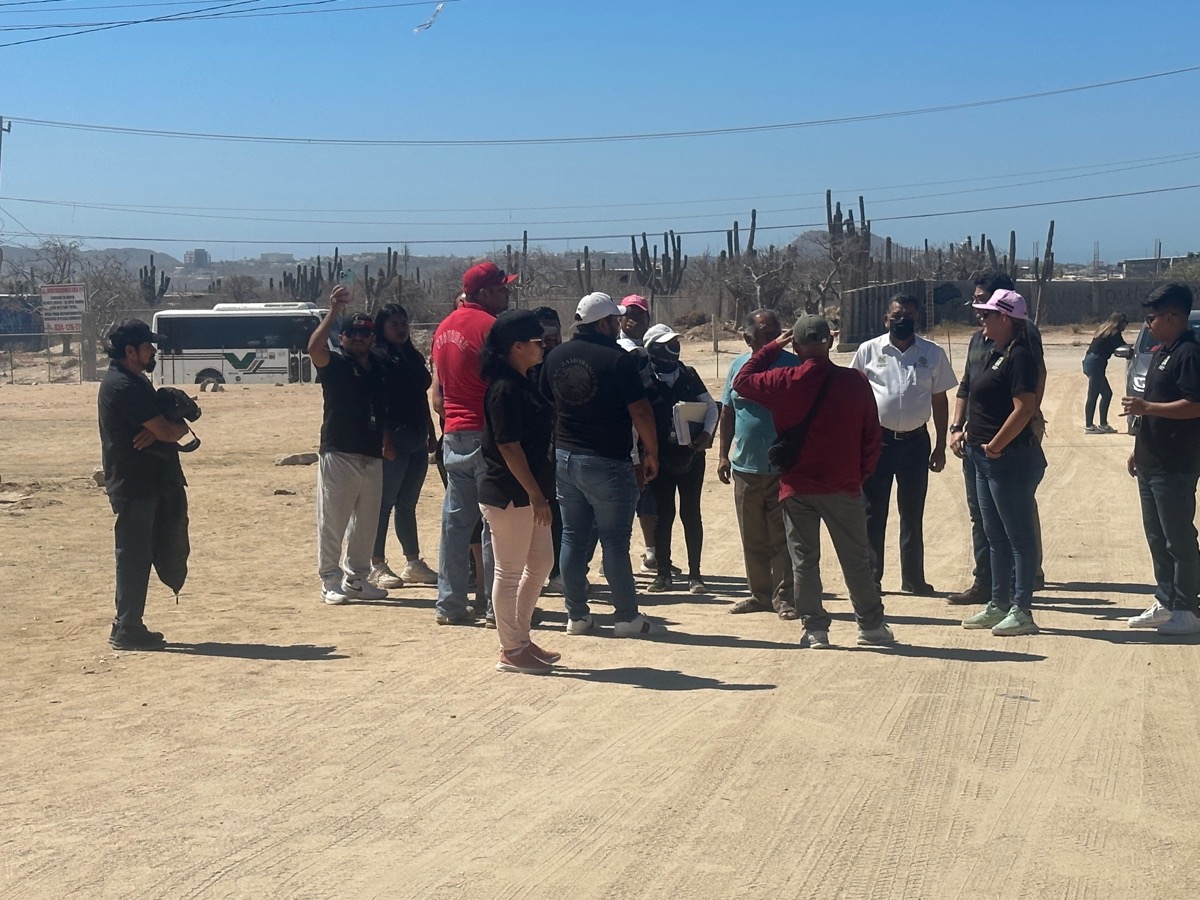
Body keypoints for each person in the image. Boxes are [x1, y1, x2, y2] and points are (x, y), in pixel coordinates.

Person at [733, 314, 894, 650]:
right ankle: (870, 626)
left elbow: (742, 381)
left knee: (804, 559)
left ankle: (815, 629)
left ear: (796, 345)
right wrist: (860, 474)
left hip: (798, 485)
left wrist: (771, 348)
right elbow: (872, 436)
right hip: (843, 484)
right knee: (856, 558)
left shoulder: (786, 379)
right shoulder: (854, 382)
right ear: (830, 342)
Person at [540, 291, 667, 637]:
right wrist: (651, 451)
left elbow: (548, 401)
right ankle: (626, 617)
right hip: (608, 460)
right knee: (614, 541)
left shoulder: (556, 356)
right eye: (615, 318)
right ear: (604, 323)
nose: (619, 323)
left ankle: (576, 616)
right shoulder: (618, 359)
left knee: (572, 537)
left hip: (566, 457)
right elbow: (640, 410)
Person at [948, 271, 1048, 604]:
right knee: (984, 516)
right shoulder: (981, 339)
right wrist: (957, 427)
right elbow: (967, 384)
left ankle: (1023, 585)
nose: (977, 309)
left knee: (1015, 519)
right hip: (978, 441)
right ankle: (989, 584)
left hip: (1005, 444)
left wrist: (1008, 435)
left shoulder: (1022, 341)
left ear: (1002, 309)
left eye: (983, 302)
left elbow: (1031, 388)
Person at [851, 294, 958, 595]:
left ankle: (914, 578)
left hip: (915, 443)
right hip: (877, 442)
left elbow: (939, 399)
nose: (902, 320)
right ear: (886, 319)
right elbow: (854, 395)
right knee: (873, 511)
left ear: (918, 320)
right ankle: (871, 577)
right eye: (897, 315)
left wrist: (939, 445)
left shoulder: (932, 353)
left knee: (912, 512)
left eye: (908, 315)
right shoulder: (868, 351)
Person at [97, 319, 191, 650]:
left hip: (149, 482)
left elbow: (163, 429)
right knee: (134, 555)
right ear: (130, 351)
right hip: (134, 484)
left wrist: (164, 427)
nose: (154, 350)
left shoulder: (136, 381)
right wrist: (170, 427)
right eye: (148, 346)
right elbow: (168, 431)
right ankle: (126, 627)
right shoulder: (122, 385)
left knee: (145, 552)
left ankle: (130, 624)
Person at [430, 261, 515, 625]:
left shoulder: (444, 328)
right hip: (487, 432)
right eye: (501, 288)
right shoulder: (492, 328)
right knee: (495, 523)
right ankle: (497, 608)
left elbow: (437, 395)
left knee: (456, 523)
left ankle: (449, 604)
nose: (506, 293)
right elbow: (504, 386)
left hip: (454, 432)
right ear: (483, 293)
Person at [478, 310, 562, 673]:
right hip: (509, 492)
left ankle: (521, 637)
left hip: (531, 491)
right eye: (535, 341)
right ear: (516, 346)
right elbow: (509, 446)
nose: (542, 345)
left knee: (541, 563)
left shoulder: (523, 379)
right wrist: (536, 494)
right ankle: (510, 649)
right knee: (509, 572)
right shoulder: (504, 388)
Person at [1122, 283, 1200, 635]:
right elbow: (1147, 408)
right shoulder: (1160, 351)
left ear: (1172, 318)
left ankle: (1187, 608)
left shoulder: (1189, 354)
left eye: (1152, 318)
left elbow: (1195, 405)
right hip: (1151, 460)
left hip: (1175, 464)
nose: (1148, 324)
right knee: (1156, 536)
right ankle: (1166, 600)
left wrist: (1147, 407)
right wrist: (1137, 448)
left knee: (1178, 538)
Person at [308, 294, 393, 605]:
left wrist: (387, 439)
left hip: (371, 452)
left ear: (372, 338)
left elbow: (381, 408)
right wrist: (333, 312)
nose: (358, 338)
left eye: (364, 333)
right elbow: (314, 349)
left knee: (366, 522)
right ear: (341, 338)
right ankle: (329, 579)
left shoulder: (378, 368)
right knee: (333, 520)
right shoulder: (336, 365)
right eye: (351, 333)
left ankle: (357, 579)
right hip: (339, 451)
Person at [716, 308, 798, 618]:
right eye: (767, 335)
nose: (776, 339)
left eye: (778, 332)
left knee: (782, 537)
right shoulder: (738, 366)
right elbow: (727, 412)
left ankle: (785, 597)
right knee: (752, 537)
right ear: (748, 338)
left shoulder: (792, 365)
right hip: (745, 468)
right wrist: (723, 455)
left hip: (781, 469)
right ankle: (759, 594)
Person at [642, 323, 718, 594]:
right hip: (659, 459)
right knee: (663, 514)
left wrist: (707, 435)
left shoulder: (688, 374)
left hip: (691, 457)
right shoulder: (644, 379)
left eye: (675, 343)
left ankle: (695, 575)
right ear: (653, 349)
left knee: (691, 513)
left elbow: (710, 408)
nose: (673, 349)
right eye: (666, 345)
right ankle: (663, 573)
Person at [368, 303, 439, 588]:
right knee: (383, 504)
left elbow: (421, 397)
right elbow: (377, 404)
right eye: (394, 323)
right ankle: (376, 563)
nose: (400, 328)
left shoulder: (412, 356)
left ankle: (412, 561)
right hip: (392, 437)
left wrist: (431, 430)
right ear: (382, 327)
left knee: (407, 503)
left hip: (417, 435)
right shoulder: (378, 358)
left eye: (404, 322)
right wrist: (385, 439)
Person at [617, 294, 665, 572]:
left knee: (648, 500)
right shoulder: (614, 349)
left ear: (648, 318)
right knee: (617, 504)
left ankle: (651, 553)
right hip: (622, 436)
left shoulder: (654, 350)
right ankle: (616, 558)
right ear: (620, 318)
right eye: (629, 313)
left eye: (640, 313)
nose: (634, 318)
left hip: (646, 435)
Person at [531, 306, 567, 594]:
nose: (550, 338)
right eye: (544, 332)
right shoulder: (526, 365)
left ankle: (557, 571)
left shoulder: (566, 362)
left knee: (557, 510)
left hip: (560, 446)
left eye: (554, 332)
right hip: (531, 448)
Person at [1083, 311, 1129, 434]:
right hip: (1096, 363)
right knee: (1093, 395)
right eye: (1126, 323)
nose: (1126, 325)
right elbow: (1125, 348)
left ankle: (1103, 425)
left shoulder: (1103, 330)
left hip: (1090, 361)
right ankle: (1089, 426)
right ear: (1120, 323)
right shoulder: (1114, 333)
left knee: (1106, 394)